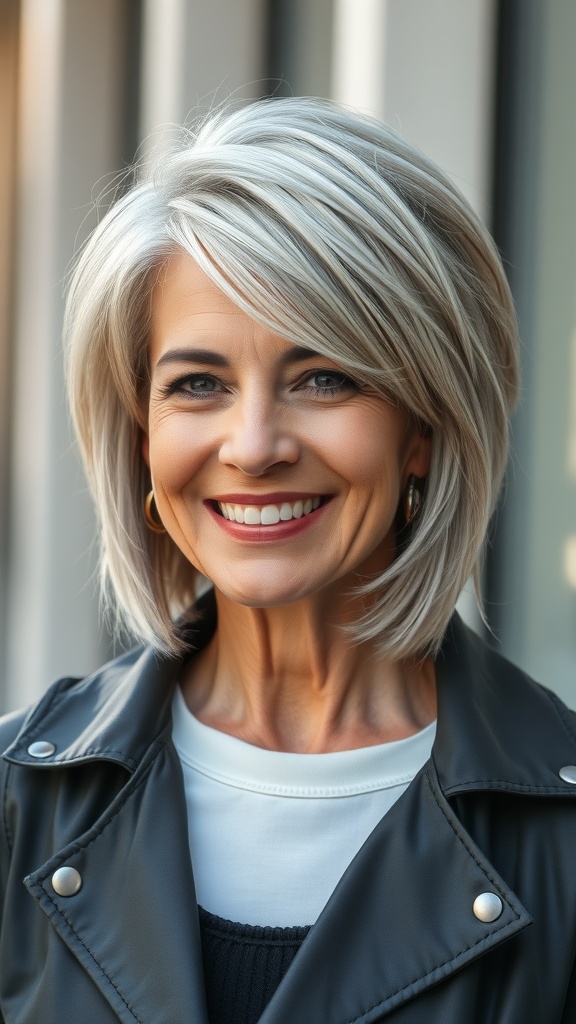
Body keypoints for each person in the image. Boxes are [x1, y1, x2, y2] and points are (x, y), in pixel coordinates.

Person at [1, 97, 575, 1024]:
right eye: (199, 384)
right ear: (143, 434)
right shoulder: (15, 804)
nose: (254, 444)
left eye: (324, 378)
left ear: (422, 426)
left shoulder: (563, 842)